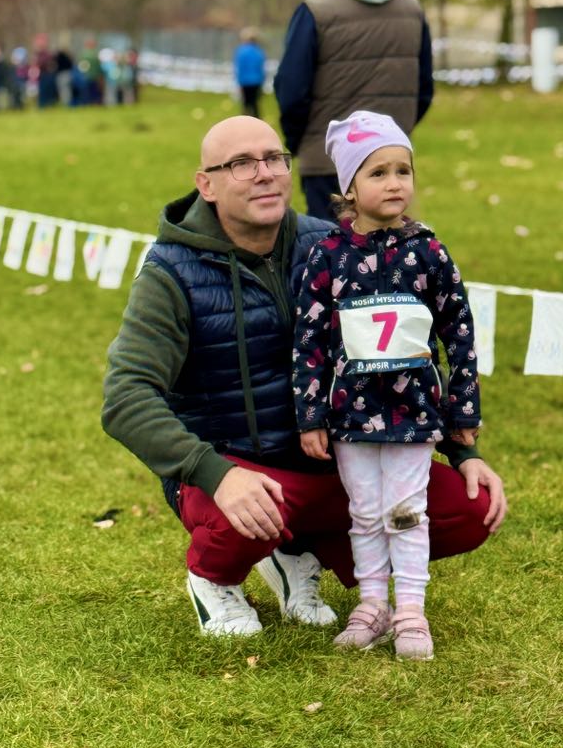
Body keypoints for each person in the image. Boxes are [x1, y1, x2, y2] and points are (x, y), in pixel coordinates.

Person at [101, 115, 506, 641]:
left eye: (274, 159)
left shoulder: (337, 248)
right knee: (244, 510)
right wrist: (213, 472)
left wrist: (463, 451)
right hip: (235, 467)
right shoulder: (170, 273)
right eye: (241, 164)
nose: (264, 173)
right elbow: (125, 397)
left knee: (469, 510)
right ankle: (214, 579)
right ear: (206, 184)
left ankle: (296, 551)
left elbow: (412, 348)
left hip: (336, 458)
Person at [293, 111, 481, 661]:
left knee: (406, 508)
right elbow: (309, 342)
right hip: (351, 415)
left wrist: (463, 407)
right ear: (349, 187)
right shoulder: (327, 256)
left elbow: (460, 332)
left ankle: (411, 610)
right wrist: (310, 415)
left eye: (404, 170)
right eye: (379, 173)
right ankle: (372, 603)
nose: (395, 182)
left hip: (416, 411)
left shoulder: (430, 251)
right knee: (365, 511)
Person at [274, 0, 434, 221]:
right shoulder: (412, 9)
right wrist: (392, 138)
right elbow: (424, 89)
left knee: (331, 262)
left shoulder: (315, 11)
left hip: (326, 164)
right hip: (390, 165)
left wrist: (303, 143)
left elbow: (291, 91)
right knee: (393, 260)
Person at [233, 28, 266, 118]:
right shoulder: (259, 51)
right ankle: (258, 123)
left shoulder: (241, 51)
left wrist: (238, 82)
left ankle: (243, 124)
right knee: (255, 104)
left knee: (245, 104)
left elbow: (239, 68)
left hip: (244, 82)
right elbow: (261, 68)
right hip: (256, 81)